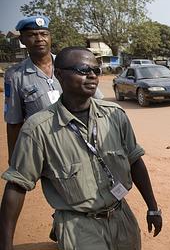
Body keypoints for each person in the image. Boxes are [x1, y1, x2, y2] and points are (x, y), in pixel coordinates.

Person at [0, 46, 162, 250]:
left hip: (120, 214)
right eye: (83, 70)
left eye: (95, 70)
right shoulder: (38, 129)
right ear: (60, 75)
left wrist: (152, 206)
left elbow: (135, 161)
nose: (92, 76)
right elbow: (16, 186)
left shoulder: (114, 115)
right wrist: (4, 246)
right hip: (79, 224)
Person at [4, 16, 104, 162]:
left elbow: (99, 103)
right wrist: (14, 159)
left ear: (50, 37)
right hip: (49, 148)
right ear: (22, 40)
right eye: (32, 35)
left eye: (44, 34)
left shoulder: (72, 63)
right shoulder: (15, 75)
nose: (39, 39)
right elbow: (14, 122)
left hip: (85, 139)